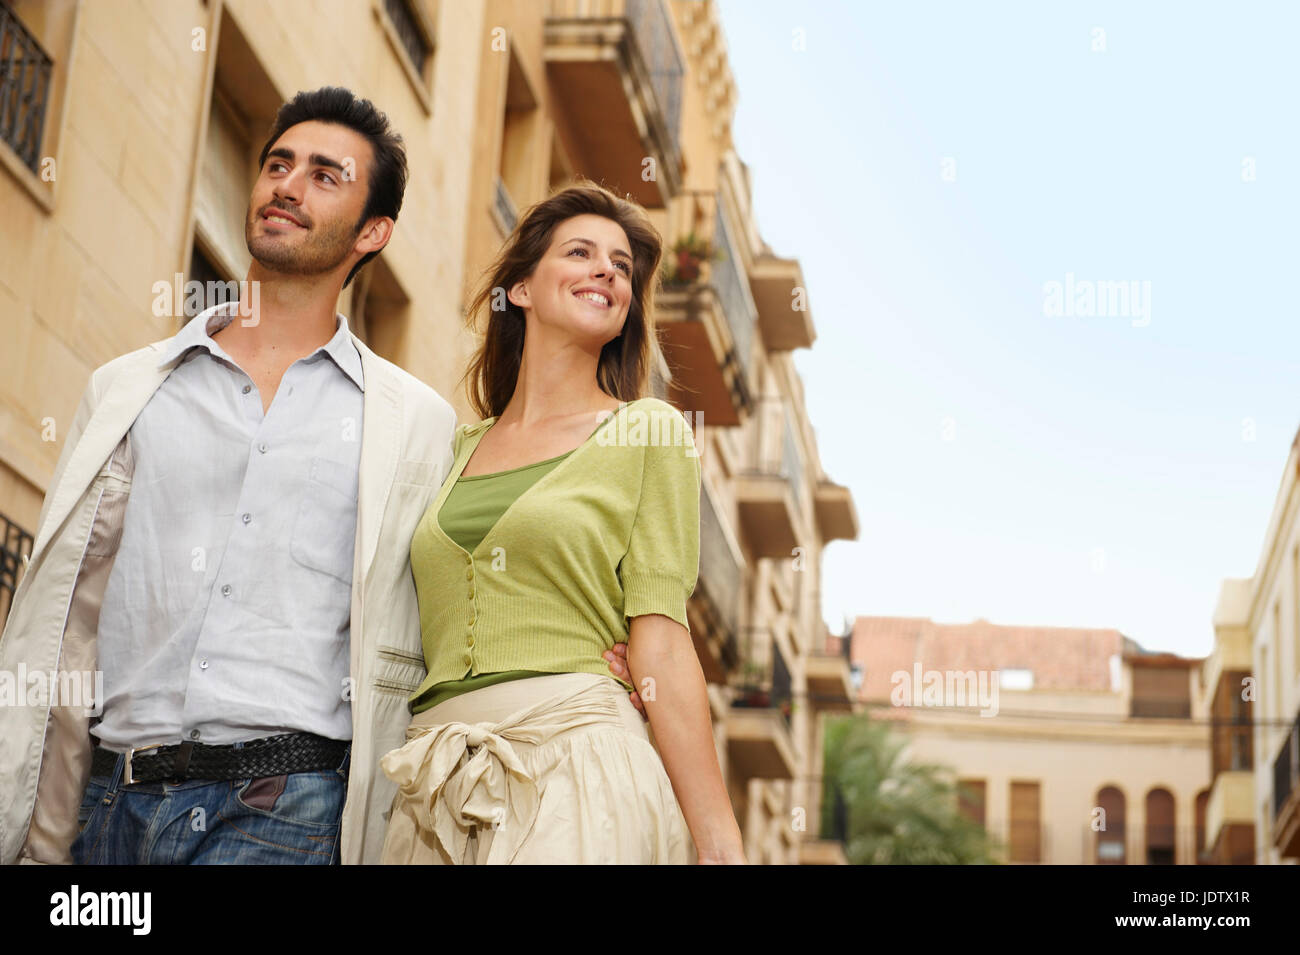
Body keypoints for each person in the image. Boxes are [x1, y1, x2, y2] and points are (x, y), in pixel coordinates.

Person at [0, 87, 633, 866]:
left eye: (325, 175)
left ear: (374, 231)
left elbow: (468, 578)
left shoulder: (414, 425)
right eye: (278, 164)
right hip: (111, 805)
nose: (287, 187)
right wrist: (44, 836)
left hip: (283, 811)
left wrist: (598, 652)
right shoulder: (129, 390)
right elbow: (72, 620)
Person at [378, 180, 747, 864]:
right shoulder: (455, 449)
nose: (606, 269)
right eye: (580, 252)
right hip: (434, 780)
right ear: (519, 287)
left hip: (578, 762)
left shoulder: (649, 433)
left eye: (621, 266)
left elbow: (662, 643)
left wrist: (721, 846)